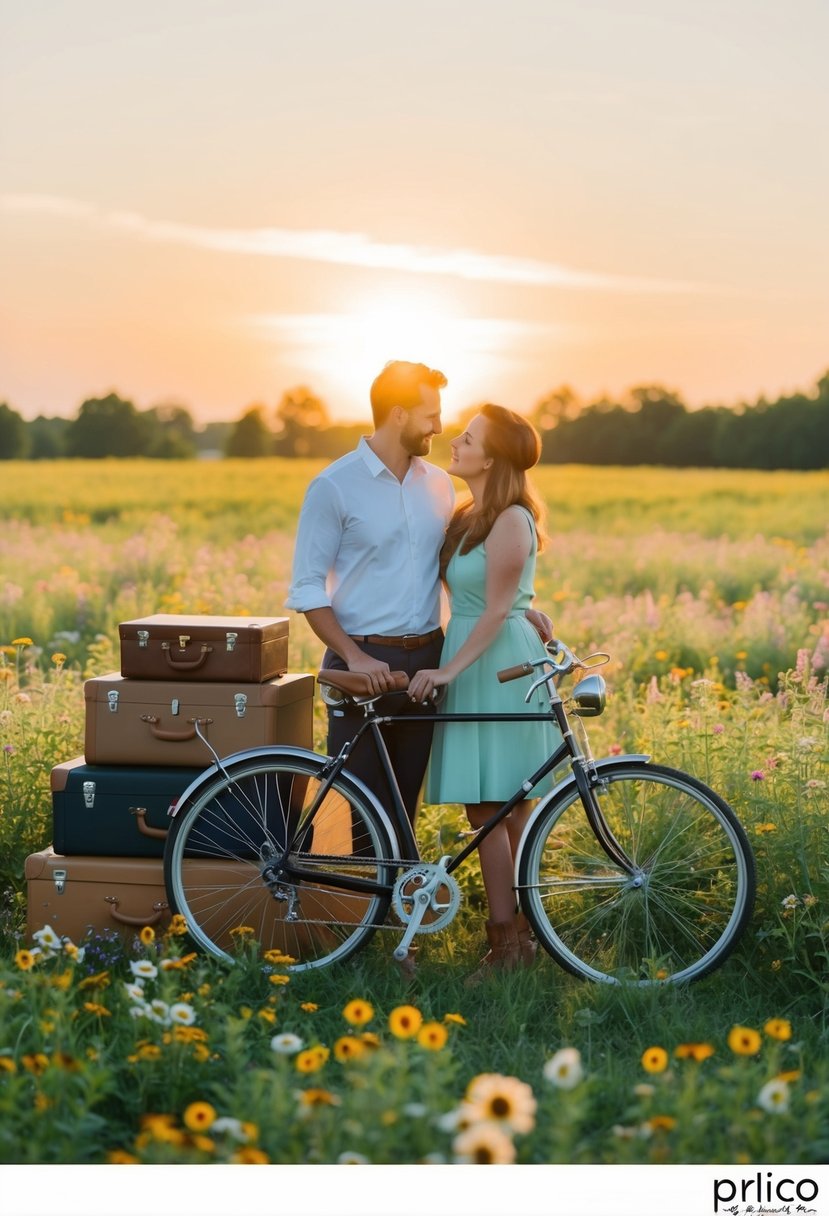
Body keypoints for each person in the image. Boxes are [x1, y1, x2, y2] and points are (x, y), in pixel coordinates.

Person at [407, 405, 560, 977]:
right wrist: (527, 609)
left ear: (490, 456)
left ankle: (507, 945)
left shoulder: (513, 518)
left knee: (498, 807)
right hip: (476, 651)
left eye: (467, 438)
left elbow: (499, 607)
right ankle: (517, 937)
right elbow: (503, 596)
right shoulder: (472, 514)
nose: (454, 442)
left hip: (495, 664)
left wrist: (448, 673)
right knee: (496, 807)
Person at [286, 360, 454, 822]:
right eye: (430, 414)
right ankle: (351, 894)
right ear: (398, 414)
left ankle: (399, 895)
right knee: (355, 812)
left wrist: (523, 610)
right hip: (360, 664)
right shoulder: (333, 486)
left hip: (425, 666)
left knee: (404, 808)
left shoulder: (440, 485)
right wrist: (355, 657)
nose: (439, 426)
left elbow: (460, 571)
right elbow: (306, 588)